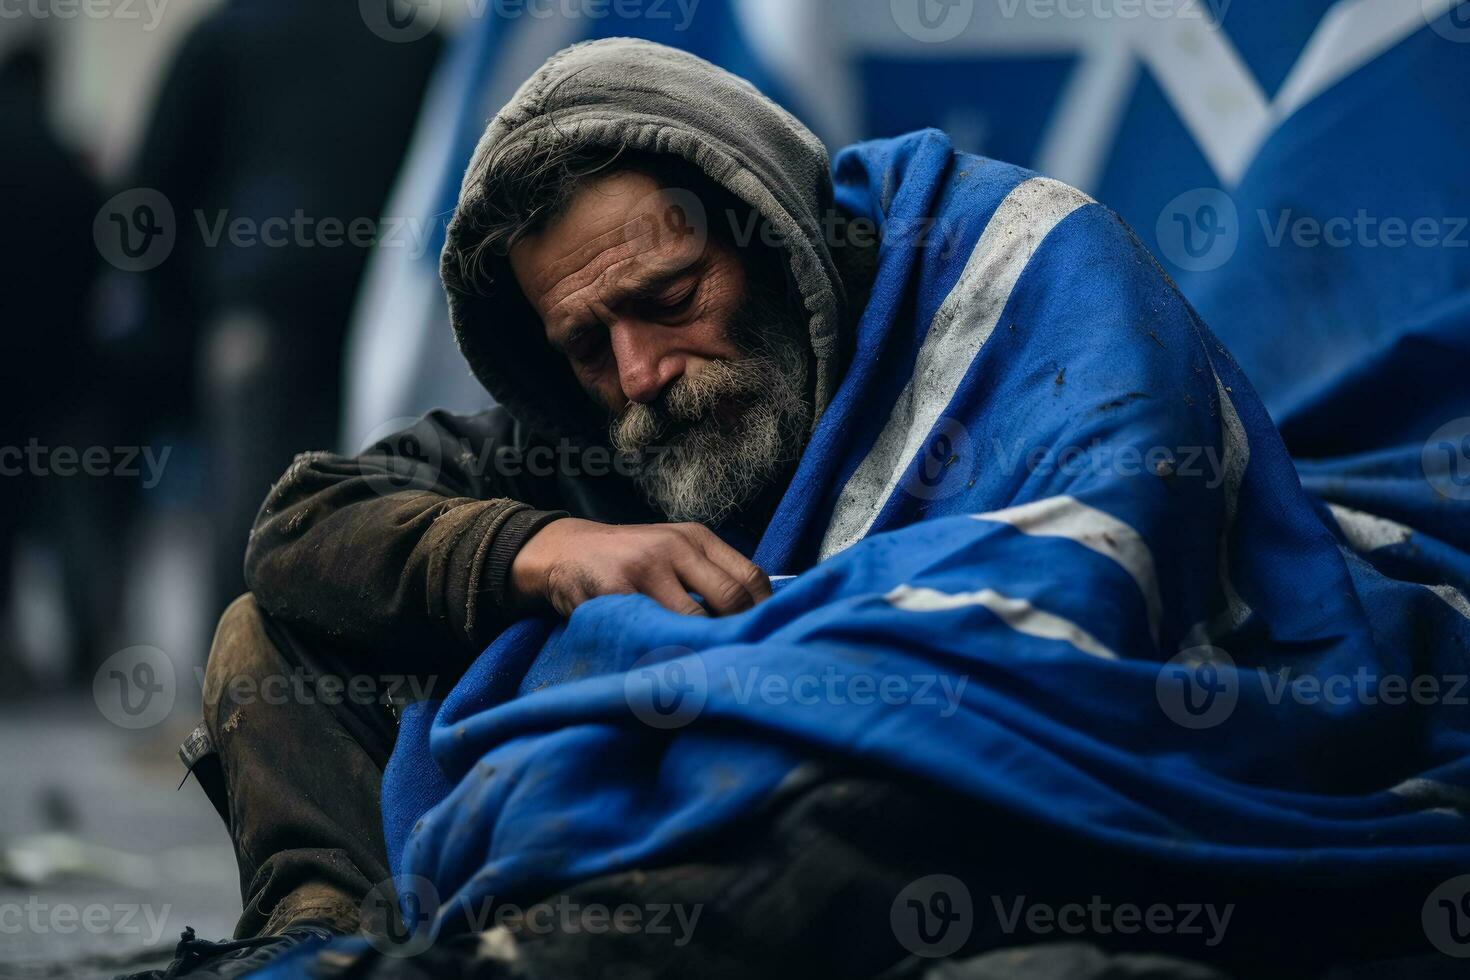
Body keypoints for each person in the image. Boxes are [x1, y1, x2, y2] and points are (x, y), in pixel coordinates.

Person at [135, 39, 1470, 980]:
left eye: (667, 300)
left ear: (765, 231)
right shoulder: (601, 418)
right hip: (772, 762)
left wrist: (748, 662)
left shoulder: (1001, 269)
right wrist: (545, 550)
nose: (641, 372)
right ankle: (316, 945)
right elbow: (305, 525)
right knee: (279, 632)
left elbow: (1089, 576)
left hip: (972, 736)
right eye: (588, 344)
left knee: (874, 790)